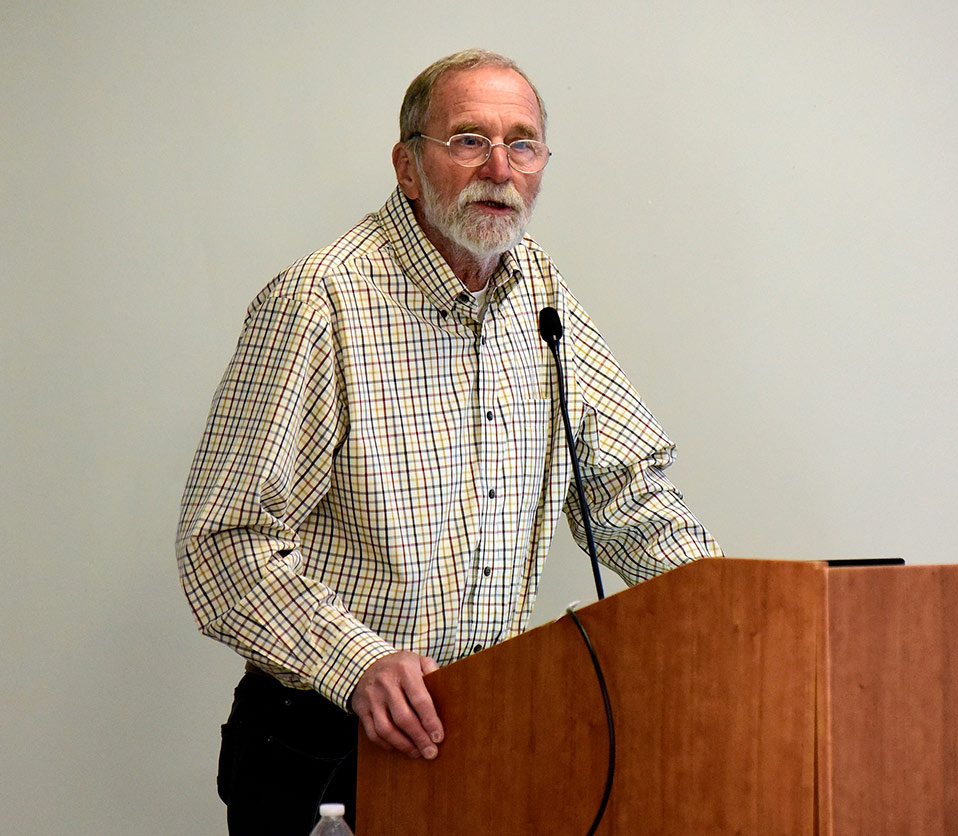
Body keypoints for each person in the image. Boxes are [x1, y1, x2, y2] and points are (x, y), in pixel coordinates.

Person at [177, 48, 721, 836]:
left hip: (487, 730)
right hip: (325, 741)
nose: (499, 168)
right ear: (408, 166)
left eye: (522, 143)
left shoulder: (539, 290)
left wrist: (743, 609)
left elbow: (624, 496)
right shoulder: (319, 302)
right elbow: (225, 543)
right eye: (469, 140)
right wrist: (358, 662)